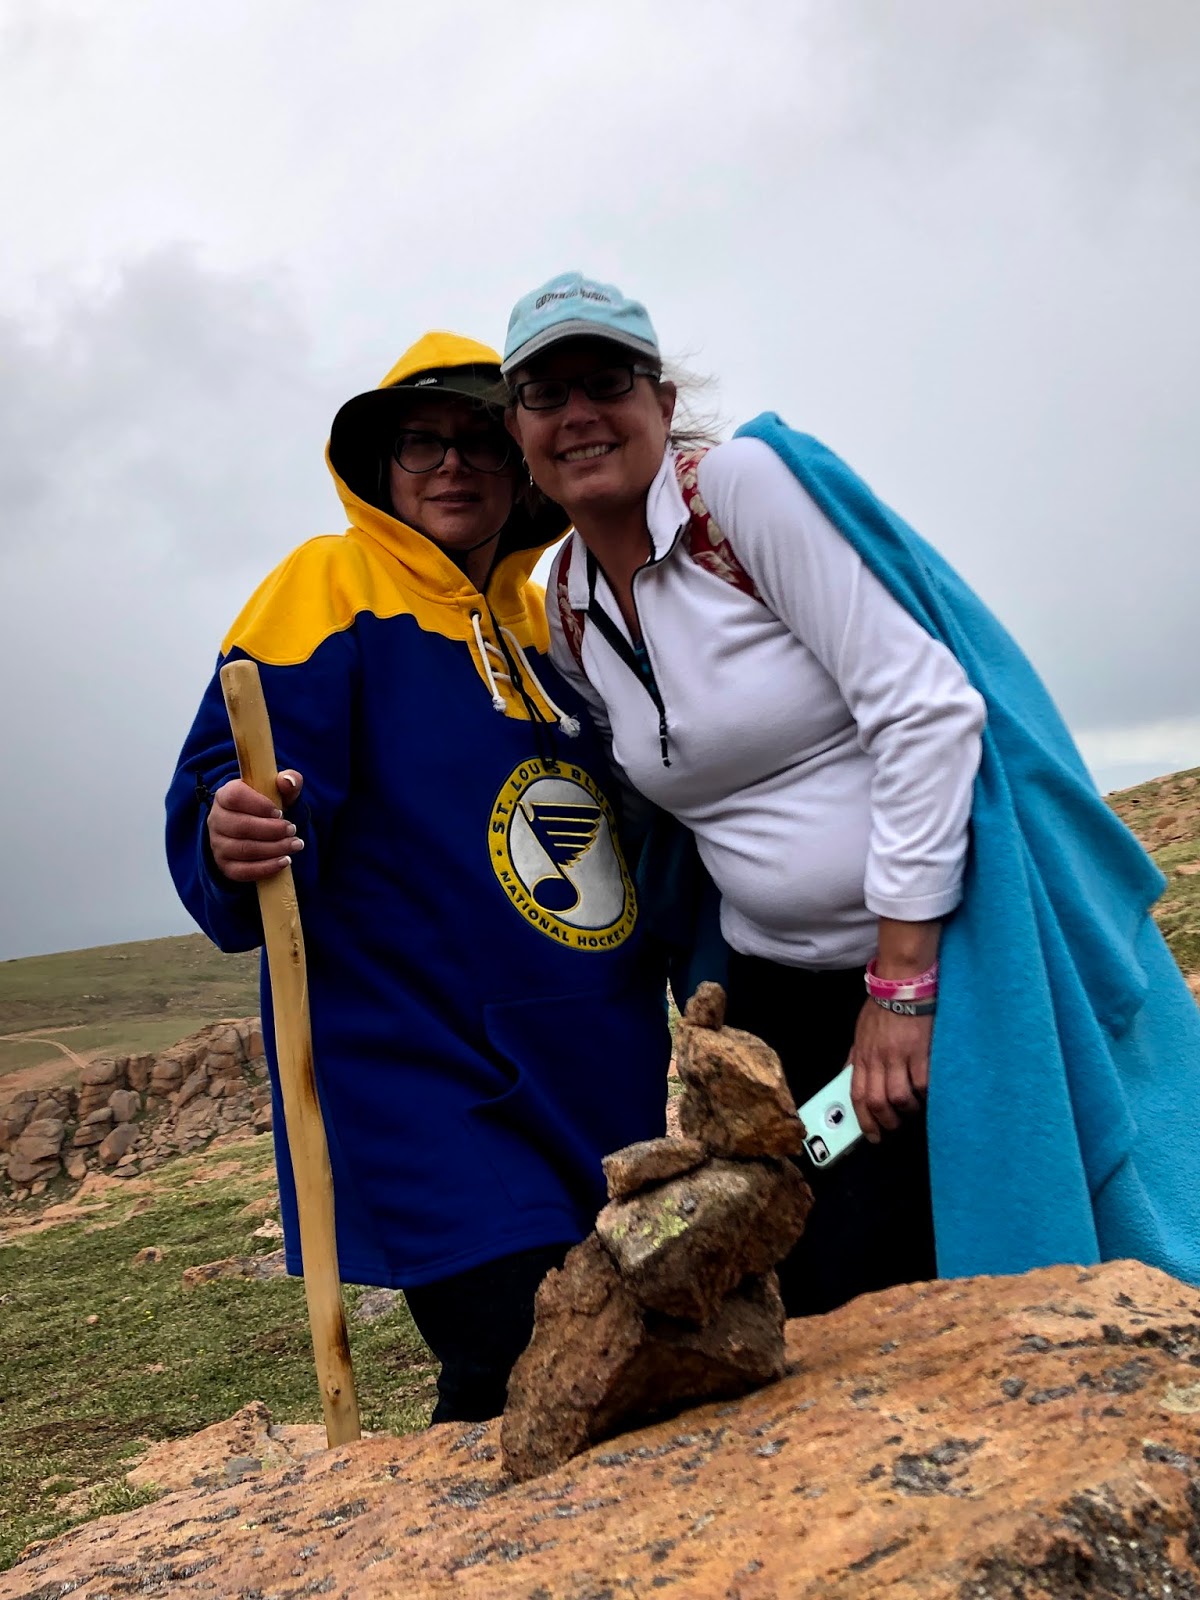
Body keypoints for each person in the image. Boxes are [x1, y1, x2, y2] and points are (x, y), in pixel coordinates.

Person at [501, 271, 1200, 1312]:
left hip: (938, 964)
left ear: (663, 401)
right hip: (779, 994)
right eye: (545, 394)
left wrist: (901, 987)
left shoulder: (738, 495)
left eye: (608, 382)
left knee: (999, 1255)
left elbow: (924, 708)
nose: (579, 414)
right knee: (835, 1278)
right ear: (517, 428)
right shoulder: (565, 599)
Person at [166, 330, 670, 1422]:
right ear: (381, 467)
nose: (451, 466)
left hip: (598, 1068)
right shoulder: (327, 586)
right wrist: (229, 832)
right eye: (421, 444)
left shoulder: (560, 616)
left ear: (521, 464)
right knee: (523, 1351)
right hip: (425, 1067)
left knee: (620, 1356)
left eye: (480, 442)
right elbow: (241, 777)